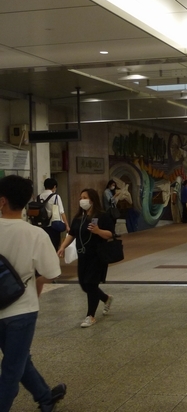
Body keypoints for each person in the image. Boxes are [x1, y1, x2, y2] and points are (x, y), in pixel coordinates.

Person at [0, 175, 67, 412]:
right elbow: (50, 272)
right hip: (22, 310)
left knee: (18, 359)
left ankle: (44, 396)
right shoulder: (35, 234)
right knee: (12, 368)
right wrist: (36, 286)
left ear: (2, 201)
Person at [57, 189, 115, 328]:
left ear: (92, 200)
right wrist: (62, 246)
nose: (81, 200)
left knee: (91, 284)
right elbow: (72, 234)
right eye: (81, 197)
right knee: (85, 285)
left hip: (97, 256)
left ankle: (90, 316)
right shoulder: (79, 218)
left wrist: (98, 231)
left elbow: (110, 234)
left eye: (85, 197)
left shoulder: (103, 216)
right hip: (83, 256)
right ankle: (106, 298)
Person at [37, 178, 69, 251]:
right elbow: (62, 212)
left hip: (43, 225)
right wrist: (67, 225)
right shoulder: (56, 196)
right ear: (54, 186)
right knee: (54, 246)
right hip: (54, 225)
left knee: (45, 247)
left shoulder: (39, 197)